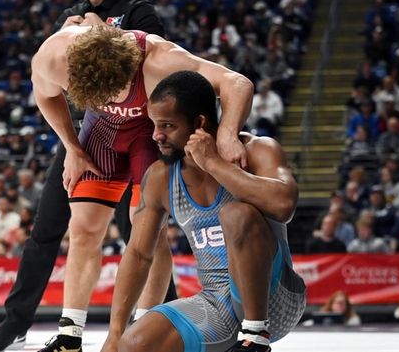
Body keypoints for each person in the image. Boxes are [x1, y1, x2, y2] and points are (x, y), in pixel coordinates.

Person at [0, 0, 170, 352]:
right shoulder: (70, 17)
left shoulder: (140, 13)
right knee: (48, 229)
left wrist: (99, 31)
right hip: (90, 137)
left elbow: (158, 74)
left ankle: (160, 322)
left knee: (145, 232)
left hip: (139, 134)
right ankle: (18, 324)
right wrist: (71, 149)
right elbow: (48, 80)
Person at [30, 23, 253, 351]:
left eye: (113, 93)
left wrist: (228, 133)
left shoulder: (160, 60)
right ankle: (70, 332)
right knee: (83, 228)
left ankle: (143, 326)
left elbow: (237, 83)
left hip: (147, 132)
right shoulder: (54, 55)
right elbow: (44, 95)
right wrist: (72, 148)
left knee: (147, 228)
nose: (110, 100)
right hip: (100, 130)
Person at [101, 72, 303, 352]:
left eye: (168, 125)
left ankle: (255, 338)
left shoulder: (256, 150)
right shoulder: (161, 177)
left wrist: (213, 163)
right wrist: (115, 335)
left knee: (236, 214)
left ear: (199, 124)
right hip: (216, 304)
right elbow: (138, 254)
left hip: (276, 299)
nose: (156, 135)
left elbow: (284, 205)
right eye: (154, 125)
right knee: (132, 344)